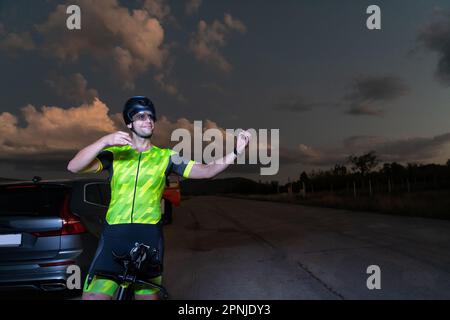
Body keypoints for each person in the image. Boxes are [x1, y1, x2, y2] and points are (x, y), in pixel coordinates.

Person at [67, 96, 251, 300]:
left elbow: (206, 171)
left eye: (151, 117)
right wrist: (105, 141)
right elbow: (74, 166)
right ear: (129, 123)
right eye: (140, 116)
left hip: (148, 235)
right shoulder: (114, 154)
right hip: (115, 234)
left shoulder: (167, 157)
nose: (148, 120)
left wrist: (237, 151)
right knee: (93, 296)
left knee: (147, 297)